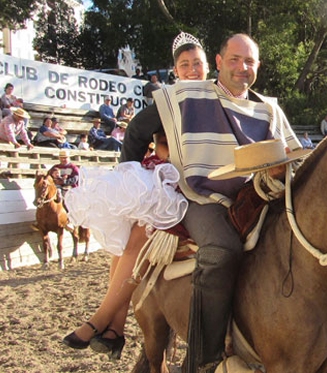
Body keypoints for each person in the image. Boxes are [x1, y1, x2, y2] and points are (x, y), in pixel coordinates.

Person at [120, 33, 305, 372]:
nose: (242, 67)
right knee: (221, 250)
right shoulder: (187, 95)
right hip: (200, 195)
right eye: (234, 59)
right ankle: (204, 358)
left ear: (258, 67)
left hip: (256, 198)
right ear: (218, 63)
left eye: (249, 61)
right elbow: (135, 131)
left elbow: (293, 158)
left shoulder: (269, 108)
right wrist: (132, 182)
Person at [62, 32, 211, 360]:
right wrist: (134, 177)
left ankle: (111, 323)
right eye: (184, 65)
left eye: (196, 64)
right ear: (175, 70)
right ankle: (108, 321)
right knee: (129, 238)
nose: (191, 70)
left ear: (207, 66)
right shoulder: (170, 99)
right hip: (169, 184)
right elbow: (135, 133)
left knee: (131, 241)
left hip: (197, 186)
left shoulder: (215, 97)